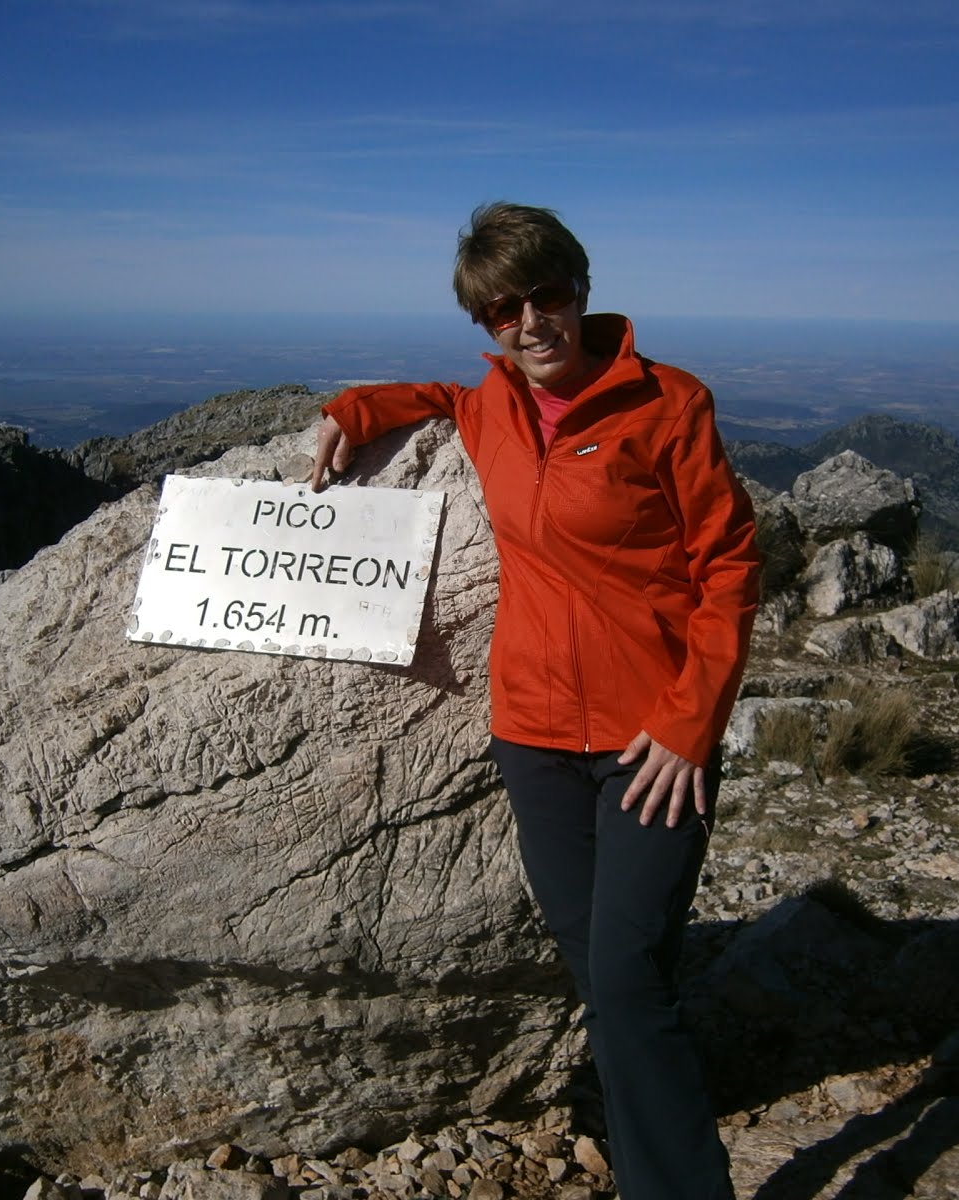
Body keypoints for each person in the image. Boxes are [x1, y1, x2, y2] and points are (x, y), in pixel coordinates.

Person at [309, 202, 759, 1200]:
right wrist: (354, 409)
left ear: (580, 290)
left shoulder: (668, 402)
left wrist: (691, 725)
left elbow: (728, 565)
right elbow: (429, 394)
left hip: (655, 741)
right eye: (499, 312)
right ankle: (645, 1153)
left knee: (633, 983)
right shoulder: (492, 404)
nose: (527, 324)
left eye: (544, 297)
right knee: (600, 977)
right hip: (534, 736)